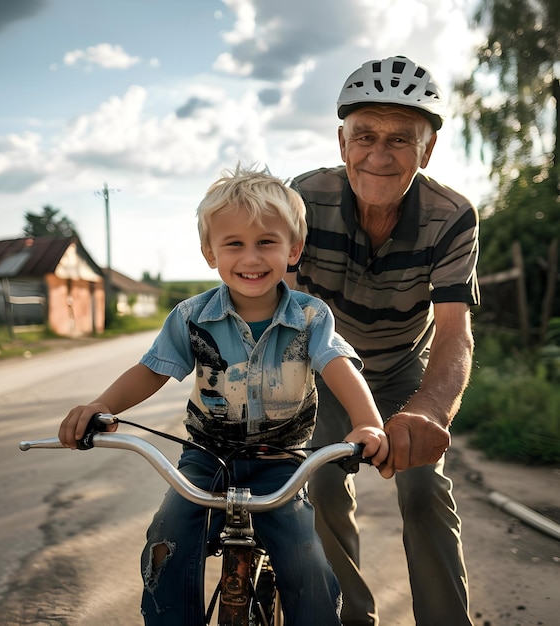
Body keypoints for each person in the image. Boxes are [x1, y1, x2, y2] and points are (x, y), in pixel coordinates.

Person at [58, 166, 390, 626]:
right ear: (209, 252)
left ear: (293, 250)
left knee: (307, 560)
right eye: (233, 243)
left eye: (266, 242)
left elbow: (337, 365)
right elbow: (153, 370)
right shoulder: (192, 316)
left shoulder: (312, 317)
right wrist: (101, 407)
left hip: (281, 464)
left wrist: (368, 422)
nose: (250, 257)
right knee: (166, 541)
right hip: (204, 458)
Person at [287, 55, 480, 626]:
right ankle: (349, 618)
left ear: (428, 150)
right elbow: (277, 303)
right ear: (342, 140)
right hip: (323, 366)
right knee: (317, 484)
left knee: (423, 494)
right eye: (364, 135)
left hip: (402, 369)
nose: (379, 154)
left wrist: (429, 410)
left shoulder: (452, 215)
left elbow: (453, 331)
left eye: (401, 139)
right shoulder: (301, 199)